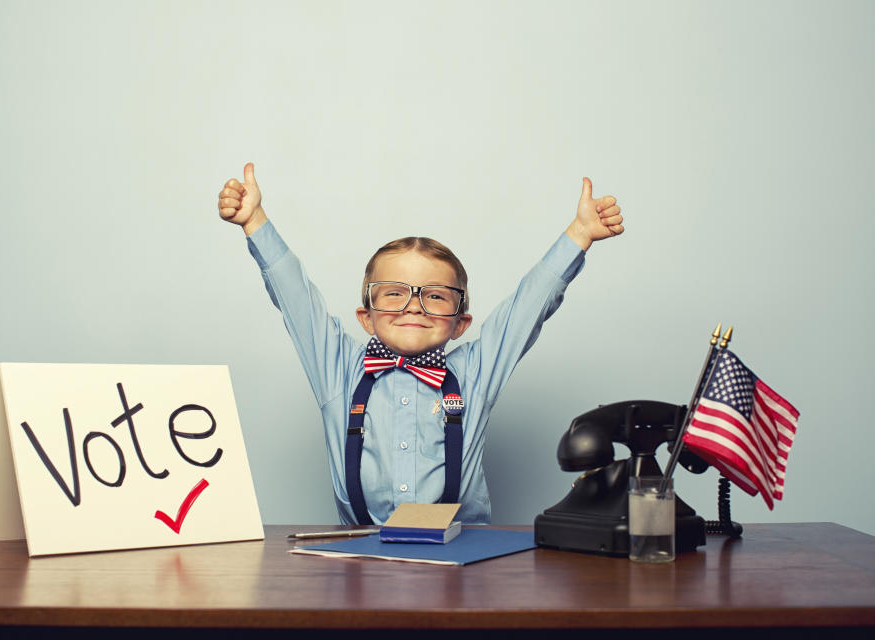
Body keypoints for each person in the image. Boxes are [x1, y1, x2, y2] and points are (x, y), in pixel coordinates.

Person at [217, 163, 623, 525]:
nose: (414, 306)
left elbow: (527, 308)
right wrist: (255, 221)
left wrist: (579, 234)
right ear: (367, 317)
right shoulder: (338, 369)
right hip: (359, 558)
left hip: (464, 555)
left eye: (435, 295)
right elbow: (296, 300)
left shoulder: (473, 374)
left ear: (460, 323)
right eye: (394, 293)